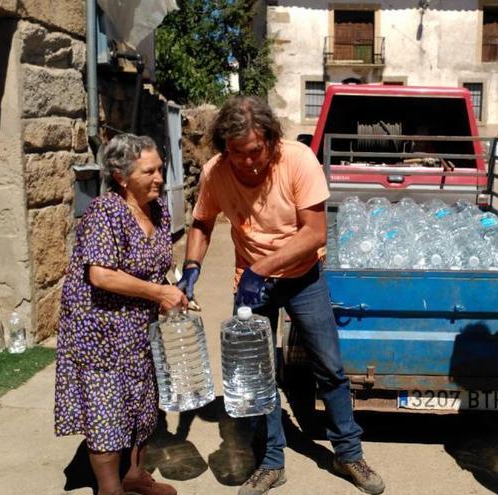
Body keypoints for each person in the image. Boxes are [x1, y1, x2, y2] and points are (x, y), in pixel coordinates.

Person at [178, 96, 385, 495]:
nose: (248, 162)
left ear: (271, 141)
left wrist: (261, 269)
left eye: (255, 151)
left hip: (302, 277)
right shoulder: (215, 172)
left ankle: (348, 453)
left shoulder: (298, 160)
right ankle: (272, 462)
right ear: (225, 149)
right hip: (252, 283)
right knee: (259, 374)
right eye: (237, 154)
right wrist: (191, 267)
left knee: (329, 366)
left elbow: (315, 233)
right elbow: (202, 222)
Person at [54, 134, 188, 495]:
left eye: (161, 168)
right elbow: (101, 274)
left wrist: (168, 291)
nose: (160, 177)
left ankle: (133, 474)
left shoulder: (158, 211)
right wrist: (158, 292)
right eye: (150, 171)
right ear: (121, 176)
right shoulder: (105, 212)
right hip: (99, 331)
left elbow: (156, 266)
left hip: (138, 330)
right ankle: (110, 488)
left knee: (143, 403)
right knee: (106, 411)